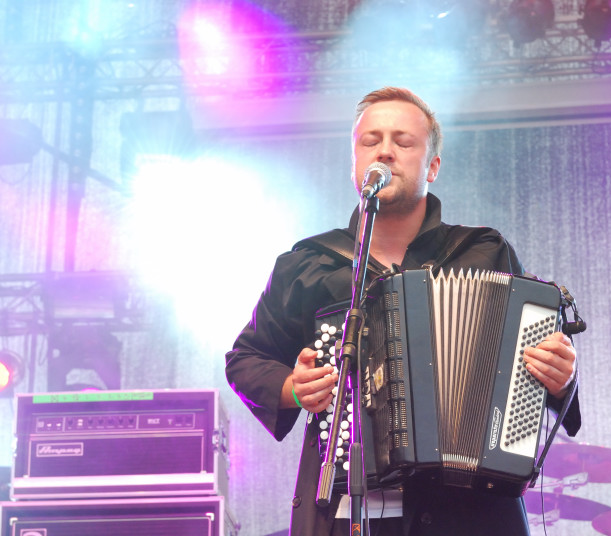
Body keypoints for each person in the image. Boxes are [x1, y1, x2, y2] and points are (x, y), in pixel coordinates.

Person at [225, 87, 580, 536]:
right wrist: (294, 388)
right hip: (346, 509)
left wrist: (561, 375)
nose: (385, 151)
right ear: (354, 159)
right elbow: (245, 360)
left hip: (471, 514)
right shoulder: (308, 265)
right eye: (370, 141)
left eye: (403, 142)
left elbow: (533, 374)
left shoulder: (483, 253)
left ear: (431, 165)